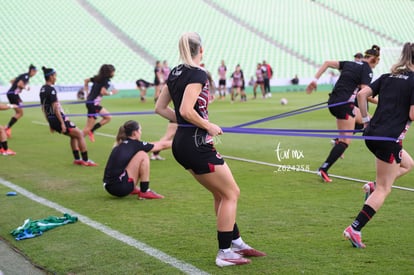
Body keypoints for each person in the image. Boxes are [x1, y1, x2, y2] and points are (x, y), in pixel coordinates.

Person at [155, 32, 265, 267]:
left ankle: (235, 242)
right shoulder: (198, 73)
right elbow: (185, 110)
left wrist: (190, 122)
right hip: (196, 144)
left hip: (182, 144)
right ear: (201, 50)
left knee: (220, 194)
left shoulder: (174, 72)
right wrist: (207, 125)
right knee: (231, 193)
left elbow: (160, 108)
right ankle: (225, 252)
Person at [343, 42, 414, 248]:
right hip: (388, 139)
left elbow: (361, 95)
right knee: (385, 188)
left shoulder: (387, 77)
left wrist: (365, 120)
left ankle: (372, 186)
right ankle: (354, 228)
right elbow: (411, 114)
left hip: (372, 135)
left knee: (408, 164)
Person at [306, 45, 381, 183]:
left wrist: (315, 80)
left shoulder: (350, 63)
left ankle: (336, 141)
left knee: (367, 122)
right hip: (344, 105)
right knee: (345, 142)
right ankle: (324, 169)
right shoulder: (367, 70)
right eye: (378, 62)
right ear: (374, 59)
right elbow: (364, 94)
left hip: (334, 102)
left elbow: (327, 63)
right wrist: (380, 102)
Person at [39, 66, 96, 166]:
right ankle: (86, 160)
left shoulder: (42, 89)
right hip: (58, 119)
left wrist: (50, 123)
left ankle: (77, 159)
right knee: (79, 134)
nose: (56, 78)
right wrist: (62, 123)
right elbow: (55, 107)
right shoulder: (51, 90)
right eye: (55, 76)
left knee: (73, 136)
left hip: (52, 119)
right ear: (51, 76)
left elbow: (43, 108)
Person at [103, 120, 171, 199]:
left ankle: (132, 187)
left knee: (136, 154)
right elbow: (162, 145)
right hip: (120, 188)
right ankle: (145, 191)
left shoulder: (121, 144)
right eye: (140, 130)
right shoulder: (135, 144)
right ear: (135, 133)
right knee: (143, 155)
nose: (141, 132)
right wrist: (178, 141)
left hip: (109, 186)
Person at [83, 64, 118, 142]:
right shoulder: (106, 81)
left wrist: (87, 93)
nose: (114, 73)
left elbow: (86, 80)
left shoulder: (97, 78)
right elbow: (103, 92)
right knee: (88, 127)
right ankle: (79, 140)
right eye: (113, 72)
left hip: (92, 103)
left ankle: (92, 131)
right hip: (93, 104)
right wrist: (112, 93)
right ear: (109, 72)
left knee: (108, 117)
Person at [5, 64, 38, 137]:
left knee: (20, 109)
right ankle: (7, 128)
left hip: (14, 94)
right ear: (32, 71)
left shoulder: (24, 75)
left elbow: (12, 81)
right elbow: (20, 84)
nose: (35, 73)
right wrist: (25, 88)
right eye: (35, 72)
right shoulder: (26, 76)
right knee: (20, 113)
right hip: (13, 94)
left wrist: (16, 88)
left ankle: (8, 127)